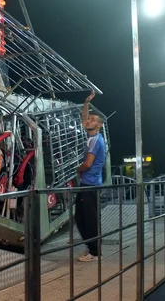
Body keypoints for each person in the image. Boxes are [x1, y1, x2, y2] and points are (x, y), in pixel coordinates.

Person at [75, 90, 106, 262]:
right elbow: (83, 118)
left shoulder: (96, 140)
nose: (89, 120)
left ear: (99, 125)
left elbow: (87, 164)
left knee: (89, 219)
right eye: (89, 119)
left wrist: (78, 170)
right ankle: (92, 248)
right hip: (88, 185)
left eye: (93, 120)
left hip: (90, 185)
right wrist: (86, 103)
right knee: (80, 217)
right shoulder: (91, 136)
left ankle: (94, 252)